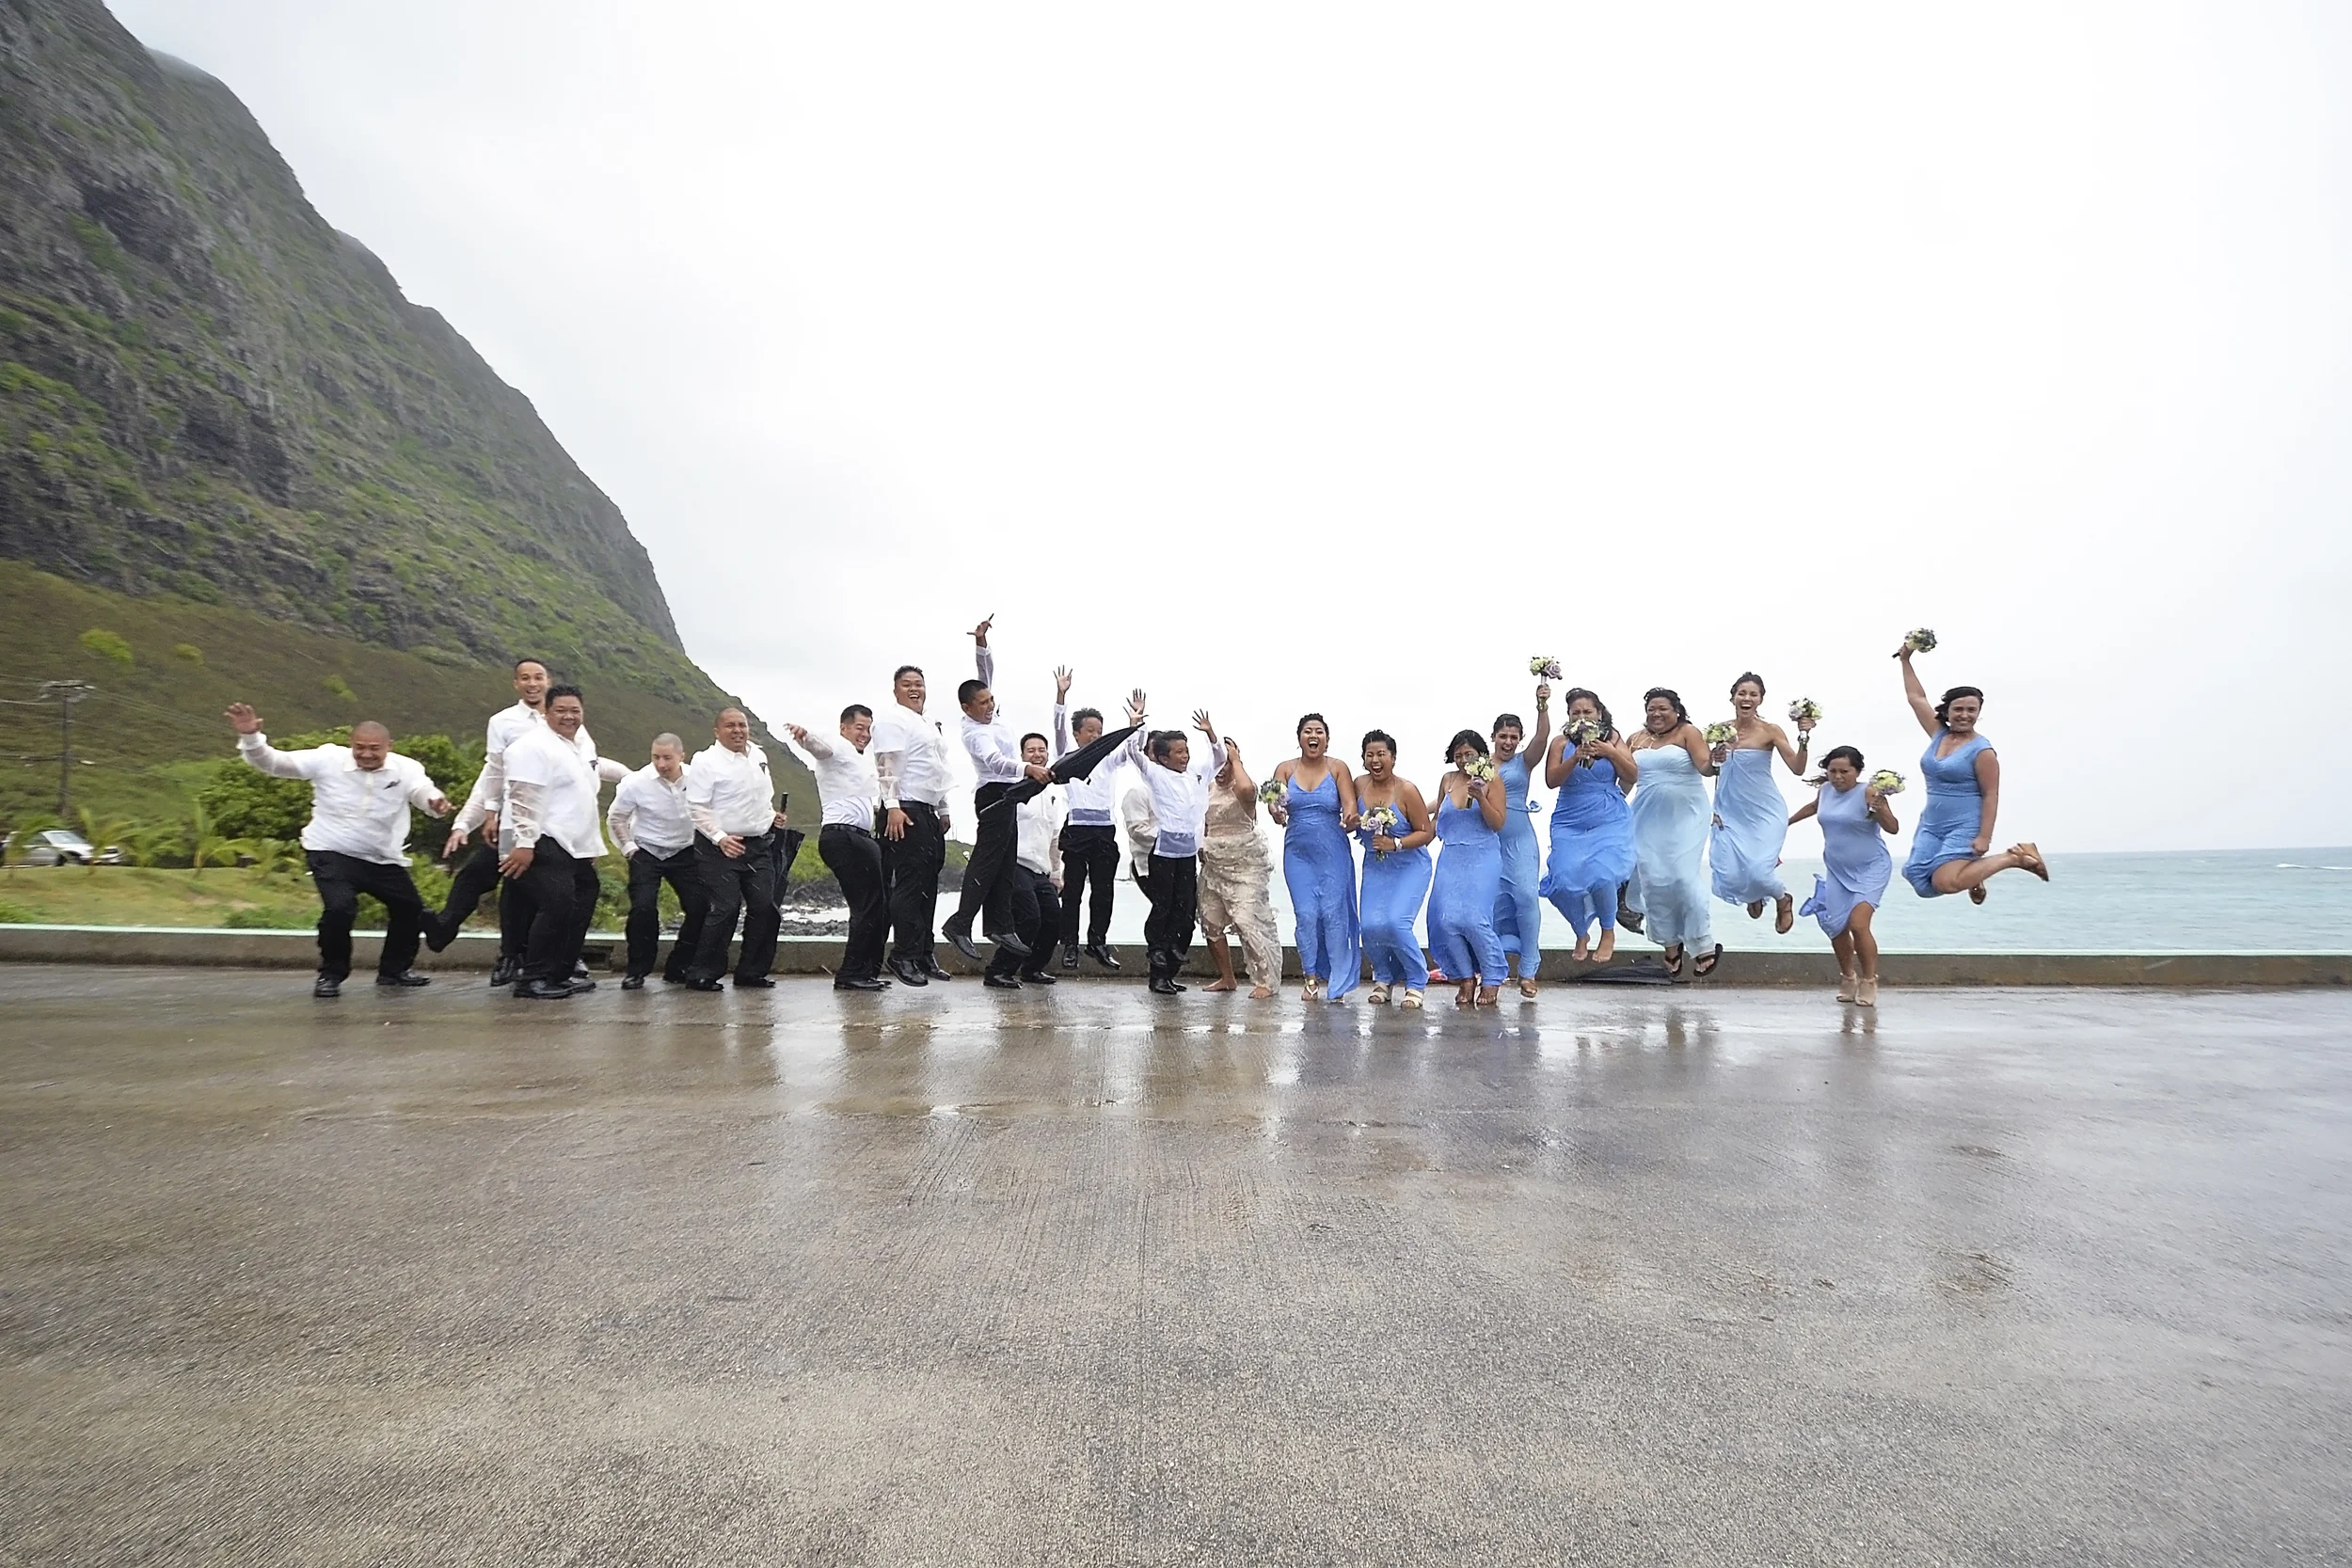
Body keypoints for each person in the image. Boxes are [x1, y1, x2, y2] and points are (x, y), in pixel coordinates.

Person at [224, 703, 450, 997]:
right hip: (330, 850)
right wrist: (252, 738)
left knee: (409, 909)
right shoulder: (327, 758)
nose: (366, 755)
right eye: (360, 747)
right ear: (350, 744)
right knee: (340, 909)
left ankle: (394, 971)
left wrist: (435, 802)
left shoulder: (407, 768)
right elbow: (274, 764)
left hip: (382, 857)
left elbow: (422, 791)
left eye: (374, 749)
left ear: (389, 747)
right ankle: (331, 974)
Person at [425, 657, 563, 982]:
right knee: (477, 873)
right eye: (525, 678)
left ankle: (516, 957)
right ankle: (450, 930)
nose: (533, 683)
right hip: (511, 820)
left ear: (548, 681)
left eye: (539, 677)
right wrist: (469, 821)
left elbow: (589, 765)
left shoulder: (563, 719)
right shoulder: (504, 722)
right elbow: (493, 774)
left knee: (519, 889)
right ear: (516, 683)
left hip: (551, 822)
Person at [499, 685, 628, 1000]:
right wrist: (525, 843)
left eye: (575, 711)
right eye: (561, 710)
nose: (569, 716)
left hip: (575, 846)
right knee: (556, 904)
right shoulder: (532, 746)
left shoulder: (575, 747)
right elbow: (523, 798)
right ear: (546, 712)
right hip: (545, 839)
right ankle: (532, 978)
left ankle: (560, 973)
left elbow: (579, 797)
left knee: (583, 897)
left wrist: (589, 847)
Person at [1897, 643, 2049, 899]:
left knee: (1945, 882)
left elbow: (1991, 795)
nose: (1964, 715)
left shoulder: (1982, 751)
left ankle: (2014, 858)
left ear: (1979, 712)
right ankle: (1973, 876)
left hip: (1965, 823)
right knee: (1918, 880)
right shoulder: (1938, 734)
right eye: (1958, 709)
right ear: (1947, 711)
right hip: (1933, 823)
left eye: (1971, 710)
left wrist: (1984, 838)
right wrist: (1905, 660)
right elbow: (1916, 698)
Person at [944, 616, 1050, 966]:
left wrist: (980, 642)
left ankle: (1001, 926)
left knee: (1005, 866)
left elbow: (984, 670)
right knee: (987, 863)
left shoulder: (989, 713)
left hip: (1009, 797)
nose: (989, 705)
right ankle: (959, 924)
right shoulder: (974, 732)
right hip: (993, 797)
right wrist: (1028, 768)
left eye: (991, 700)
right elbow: (995, 761)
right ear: (967, 708)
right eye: (983, 703)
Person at [1119, 694, 1226, 996]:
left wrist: (1210, 734)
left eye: (1186, 750)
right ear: (1164, 757)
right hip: (1163, 853)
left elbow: (1219, 758)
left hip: (1188, 854)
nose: (1184, 756)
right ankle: (1157, 964)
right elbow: (1133, 752)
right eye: (1178, 752)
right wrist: (1135, 723)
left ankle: (1172, 960)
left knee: (1186, 908)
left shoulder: (1196, 775)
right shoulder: (1155, 774)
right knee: (1163, 908)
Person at [681, 706, 791, 991]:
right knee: (726, 908)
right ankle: (702, 973)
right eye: (730, 726)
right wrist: (719, 837)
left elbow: (759, 797)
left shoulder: (758, 755)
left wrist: (771, 817)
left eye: (742, 725)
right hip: (719, 847)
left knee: (765, 907)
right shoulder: (706, 761)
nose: (738, 731)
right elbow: (696, 807)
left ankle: (751, 972)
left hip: (758, 845)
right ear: (717, 731)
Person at [787, 707, 889, 992]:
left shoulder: (860, 761)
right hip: (842, 836)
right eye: (859, 727)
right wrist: (804, 736)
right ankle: (850, 974)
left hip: (861, 838)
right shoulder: (839, 748)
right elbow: (820, 747)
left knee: (876, 906)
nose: (864, 735)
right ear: (844, 728)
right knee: (866, 906)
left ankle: (866, 971)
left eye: (868, 729)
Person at [1788, 745, 1899, 1006]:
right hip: (1838, 870)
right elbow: (1814, 807)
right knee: (1836, 928)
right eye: (1832, 771)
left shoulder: (1869, 792)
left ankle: (1869, 981)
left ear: (1857, 771)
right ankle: (1848, 977)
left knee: (1859, 925)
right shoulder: (1825, 790)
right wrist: (1785, 822)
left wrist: (1881, 808)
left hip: (1872, 867)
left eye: (1844, 772)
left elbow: (1893, 828)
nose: (1837, 777)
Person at [871, 660, 957, 988]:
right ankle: (902, 954)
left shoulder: (926, 724)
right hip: (903, 807)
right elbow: (886, 764)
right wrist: (891, 805)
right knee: (909, 883)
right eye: (906, 683)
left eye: (919, 683)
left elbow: (937, 768)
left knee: (928, 884)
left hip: (927, 809)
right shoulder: (893, 718)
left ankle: (923, 951)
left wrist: (944, 807)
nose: (914, 688)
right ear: (895, 690)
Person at [1707, 672, 1812, 933]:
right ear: (1732, 697)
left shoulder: (1770, 731)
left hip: (1765, 811)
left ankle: (1782, 898)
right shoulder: (1719, 730)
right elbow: (1710, 769)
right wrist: (1714, 758)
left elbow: (1798, 768)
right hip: (1729, 811)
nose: (1747, 698)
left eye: (1753, 694)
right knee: (1729, 873)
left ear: (1760, 700)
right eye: (1742, 693)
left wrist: (1804, 737)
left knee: (1759, 871)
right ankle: (1753, 895)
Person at [1627, 688, 1722, 977]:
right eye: (1651, 709)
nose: (1656, 714)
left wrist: (1717, 759)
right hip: (1645, 815)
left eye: (1663, 709)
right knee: (1653, 880)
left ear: (1677, 711)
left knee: (1682, 876)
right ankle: (1670, 943)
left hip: (1687, 815)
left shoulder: (1688, 733)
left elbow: (1706, 767)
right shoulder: (1634, 740)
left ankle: (1703, 942)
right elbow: (1626, 780)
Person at [1265, 713, 1360, 1002]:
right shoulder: (1284, 768)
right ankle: (1310, 977)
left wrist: (1352, 820)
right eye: (1308, 731)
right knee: (1306, 914)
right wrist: (1275, 811)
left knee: (1333, 914)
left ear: (1327, 739)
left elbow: (1350, 808)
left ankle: (1338, 978)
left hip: (1332, 849)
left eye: (1319, 731)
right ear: (1300, 738)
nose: (1313, 736)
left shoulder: (1338, 768)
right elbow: (1273, 804)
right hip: (1298, 851)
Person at [1540, 689, 1638, 963]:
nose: (1582, 717)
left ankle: (1608, 931)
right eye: (1576, 713)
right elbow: (1551, 780)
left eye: (1588, 712)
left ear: (1599, 713)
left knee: (1603, 875)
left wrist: (1609, 752)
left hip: (1608, 816)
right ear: (1569, 716)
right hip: (1569, 818)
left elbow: (1632, 774)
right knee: (1562, 881)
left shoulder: (1613, 738)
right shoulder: (1560, 742)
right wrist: (1575, 756)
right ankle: (1581, 931)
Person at [605, 733, 707, 990]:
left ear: (681, 756)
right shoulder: (635, 782)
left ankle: (679, 966)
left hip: (685, 851)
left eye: (667, 758)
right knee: (642, 908)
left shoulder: (699, 778)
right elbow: (616, 818)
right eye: (656, 757)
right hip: (646, 851)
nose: (661, 764)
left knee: (700, 908)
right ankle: (637, 970)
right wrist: (629, 849)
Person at [1427, 729, 1510, 1007]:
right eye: (1458, 755)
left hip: (1482, 855)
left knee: (1474, 918)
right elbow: (1437, 819)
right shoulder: (1448, 780)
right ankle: (1465, 977)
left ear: (1480, 755)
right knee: (1446, 919)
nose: (1463, 760)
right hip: (1451, 856)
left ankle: (1493, 976)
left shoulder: (1492, 778)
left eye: (1469, 754)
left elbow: (1497, 823)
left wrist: (1481, 797)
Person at [1352, 729, 1435, 1008]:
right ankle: (1384, 977)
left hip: (1410, 864)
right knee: (1371, 927)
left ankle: (1416, 981)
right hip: (1375, 865)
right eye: (1370, 755)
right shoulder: (1358, 785)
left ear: (1393, 758)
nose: (1375, 760)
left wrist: (1396, 843)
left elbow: (1427, 832)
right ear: (1363, 759)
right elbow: (1348, 816)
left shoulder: (1407, 790)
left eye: (1381, 754)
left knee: (1397, 924)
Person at [1197, 738, 1284, 998]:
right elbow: (1200, 821)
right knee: (1210, 921)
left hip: (1246, 865)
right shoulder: (1206, 788)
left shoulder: (1244, 789)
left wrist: (1236, 760)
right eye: (1218, 764)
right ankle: (1227, 977)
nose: (1221, 769)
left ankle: (1266, 981)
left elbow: (1247, 788)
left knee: (1247, 920)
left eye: (1227, 764)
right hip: (1214, 865)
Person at [1054, 670, 1123, 973]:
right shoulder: (1067, 756)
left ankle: (1098, 941)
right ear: (1078, 734)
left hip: (1104, 831)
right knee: (1073, 891)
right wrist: (1061, 697)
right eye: (1090, 731)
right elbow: (1057, 728)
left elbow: (1132, 748)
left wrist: (1136, 725)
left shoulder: (1109, 759)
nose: (1095, 736)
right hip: (1078, 830)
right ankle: (1070, 943)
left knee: (1104, 889)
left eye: (1099, 731)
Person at [1490, 687, 1552, 997]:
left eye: (1514, 737)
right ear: (1494, 737)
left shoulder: (1523, 763)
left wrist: (1542, 704)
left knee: (1526, 897)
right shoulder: (1481, 765)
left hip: (1520, 840)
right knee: (1495, 905)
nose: (1509, 742)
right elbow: (1454, 795)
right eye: (1503, 736)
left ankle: (1528, 970)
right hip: (1489, 842)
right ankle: (1496, 966)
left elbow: (1542, 737)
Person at [1009, 732, 1066, 986]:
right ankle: (1000, 969)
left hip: (1041, 868)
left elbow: (1055, 838)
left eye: (1041, 750)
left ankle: (1033, 968)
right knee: (1029, 918)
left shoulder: (1053, 792)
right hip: (1015, 862)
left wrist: (1056, 873)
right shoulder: (1015, 786)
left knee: (1053, 919)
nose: (1037, 754)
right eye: (1031, 750)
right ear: (1022, 756)